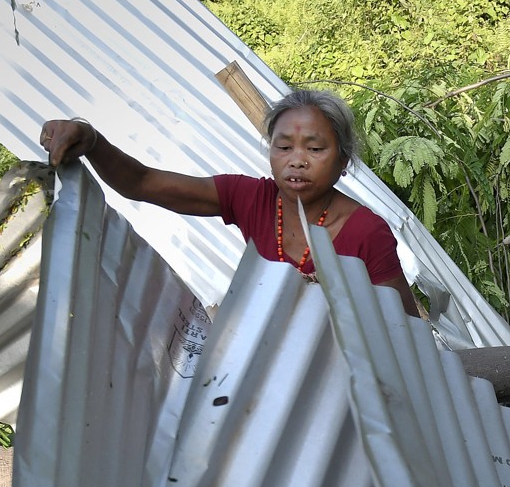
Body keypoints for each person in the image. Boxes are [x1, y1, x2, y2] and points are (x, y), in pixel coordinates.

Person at [39, 89, 421, 317]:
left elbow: (406, 326)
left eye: (315, 148)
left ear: (342, 162)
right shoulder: (251, 198)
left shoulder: (366, 231)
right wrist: (91, 141)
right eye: (283, 146)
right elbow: (142, 182)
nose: (297, 160)